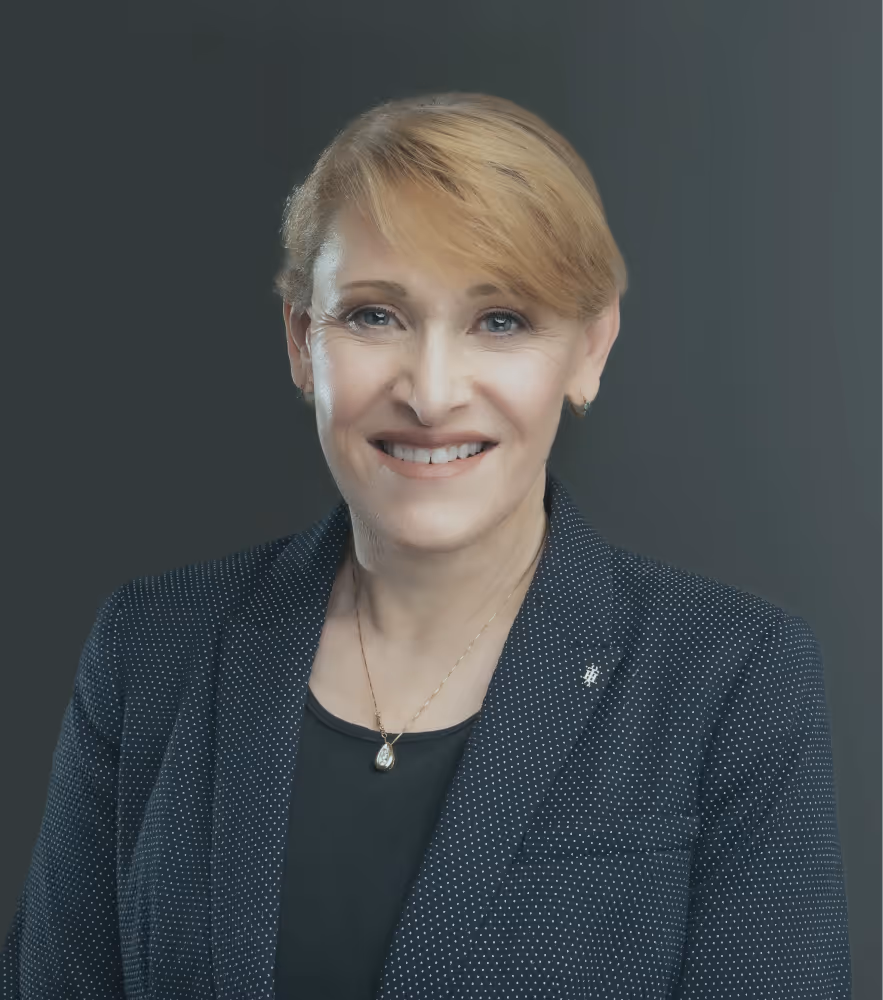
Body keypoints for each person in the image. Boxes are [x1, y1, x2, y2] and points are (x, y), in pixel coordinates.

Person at [0, 91, 851, 999]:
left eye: (501, 320)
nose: (433, 392)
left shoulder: (731, 677)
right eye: (374, 315)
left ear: (590, 350)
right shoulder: (152, 645)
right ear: (300, 339)